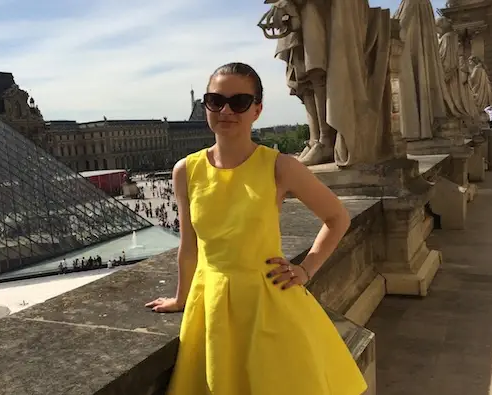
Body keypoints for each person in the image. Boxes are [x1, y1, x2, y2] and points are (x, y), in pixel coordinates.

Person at [146, 63, 367, 395]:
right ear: (205, 105)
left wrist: (306, 270)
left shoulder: (281, 166)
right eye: (215, 100)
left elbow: (338, 217)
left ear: (257, 110)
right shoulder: (185, 170)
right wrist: (181, 298)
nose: (226, 110)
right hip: (211, 304)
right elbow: (189, 246)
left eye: (239, 102)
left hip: (269, 305)